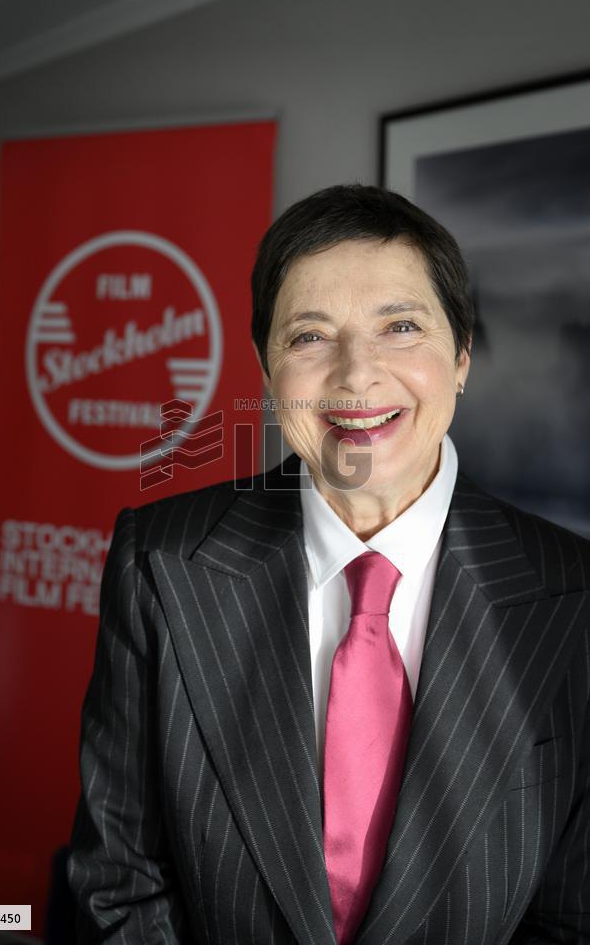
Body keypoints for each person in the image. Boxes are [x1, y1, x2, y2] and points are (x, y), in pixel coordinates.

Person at [67, 185, 590, 944]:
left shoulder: (574, 595)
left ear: (463, 353)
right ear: (265, 365)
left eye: (401, 327)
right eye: (310, 337)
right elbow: (119, 880)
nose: (355, 376)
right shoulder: (161, 559)